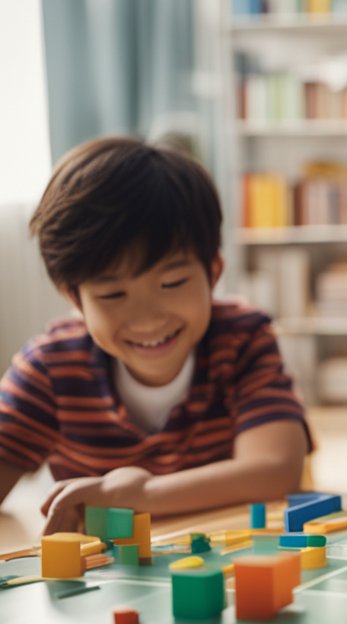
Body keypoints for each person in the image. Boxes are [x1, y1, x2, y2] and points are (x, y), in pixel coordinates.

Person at [0, 137, 310, 534]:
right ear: (73, 297)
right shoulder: (49, 368)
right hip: (110, 585)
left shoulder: (243, 339)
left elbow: (276, 470)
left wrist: (139, 496)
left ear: (213, 272)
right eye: (113, 294)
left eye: (173, 282)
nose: (147, 319)